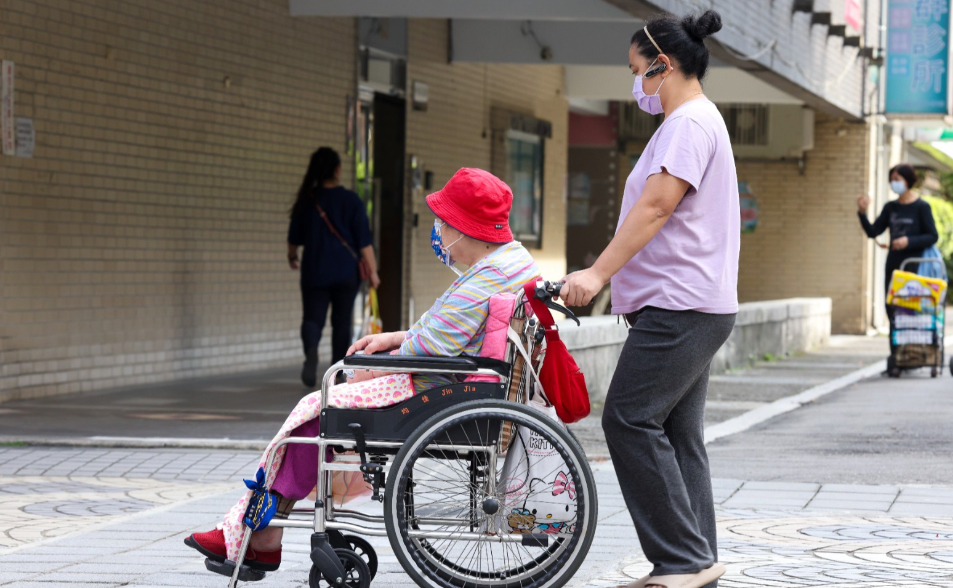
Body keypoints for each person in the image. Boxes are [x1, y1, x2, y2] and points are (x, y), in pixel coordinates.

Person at [185, 168, 540, 571]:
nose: (438, 231)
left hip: (432, 388)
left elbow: (432, 347)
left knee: (313, 412)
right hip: (454, 383)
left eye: (442, 222)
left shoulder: (483, 280)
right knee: (320, 409)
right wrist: (393, 339)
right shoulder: (510, 263)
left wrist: (374, 369)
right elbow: (442, 336)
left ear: (463, 227)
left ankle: (260, 534)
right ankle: (261, 532)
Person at [559, 10, 735, 588]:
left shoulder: (688, 124)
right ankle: (696, 563)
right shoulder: (692, 121)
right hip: (690, 303)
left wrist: (597, 274)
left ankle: (683, 560)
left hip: (679, 306)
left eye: (638, 71)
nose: (635, 83)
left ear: (664, 64)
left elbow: (657, 207)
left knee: (629, 418)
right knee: (677, 435)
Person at [287, 147, 381, 388]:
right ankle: (337, 373)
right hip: (345, 272)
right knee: (342, 322)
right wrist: (373, 272)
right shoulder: (351, 200)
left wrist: (292, 256)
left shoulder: (307, 200)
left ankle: (311, 352)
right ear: (337, 170)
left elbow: (294, 238)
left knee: (312, 318)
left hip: (314, 270)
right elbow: (364, 242)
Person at [857, 163, 939, 297]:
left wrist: (908, 241)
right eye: (891, 180)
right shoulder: (890, 207)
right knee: (892, 304)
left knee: (912, 306)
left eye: (897, 179)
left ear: (908, 180)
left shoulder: (922, 207)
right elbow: (872, 232)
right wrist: (862, 213)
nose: (893, 183)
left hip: (916, 265)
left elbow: (933, 236)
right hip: (894, 264)